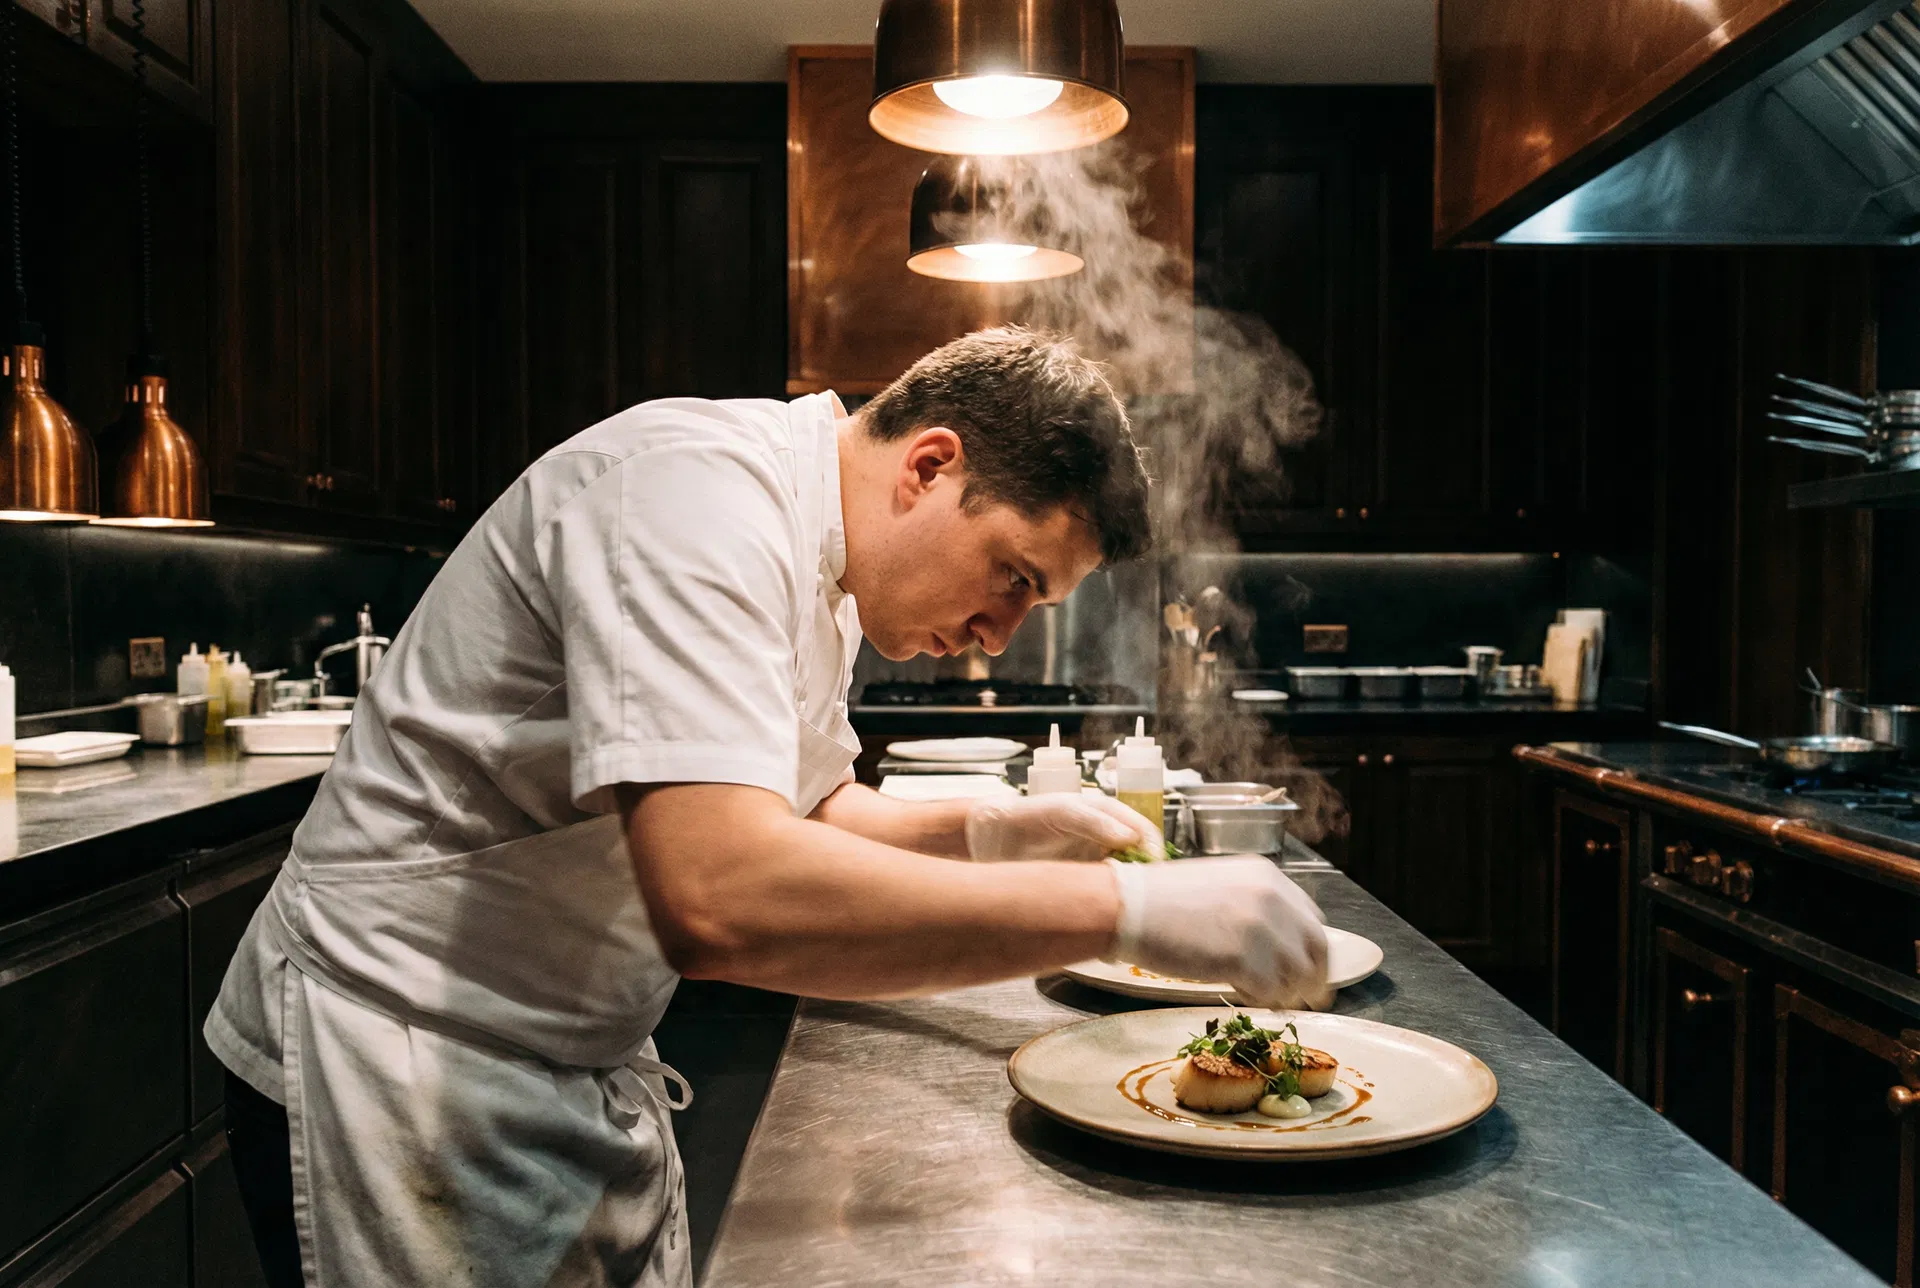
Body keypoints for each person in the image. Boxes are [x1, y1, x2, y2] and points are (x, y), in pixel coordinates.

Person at [207, 326, 1330, 1287]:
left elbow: (808, 807)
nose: (1000, 632)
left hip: (551, 1051)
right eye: (1014, 577)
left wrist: (999, 828)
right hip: (399, 1054)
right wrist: (1120, 914)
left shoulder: (823, 558)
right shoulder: (691, 499)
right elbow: (720, 895)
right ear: (930, 467)